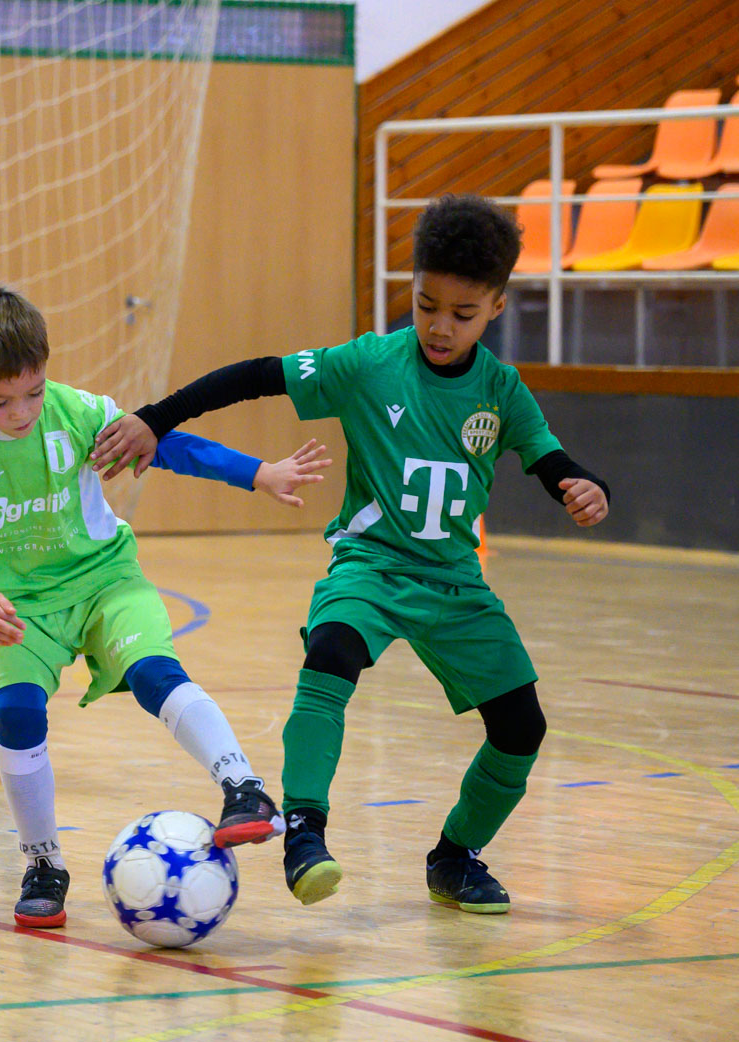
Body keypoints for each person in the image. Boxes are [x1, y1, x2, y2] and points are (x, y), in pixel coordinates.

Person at [92, 194, 611, 915]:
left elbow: (548, 458)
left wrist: (582, 486)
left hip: (454, 581)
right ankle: (304, 830)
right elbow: (256, 375)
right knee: (331, 650)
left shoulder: (501, 390)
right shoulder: (370, 362)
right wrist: (156, 418)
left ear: (496, 305)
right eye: (426, 305)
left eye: (462, 314)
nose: (439, 325)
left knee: (522, 729)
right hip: (369, 564)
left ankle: (455, 856)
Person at [0, 283, 328, 927]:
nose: (22, 412)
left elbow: (165, 446)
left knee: (154, 673)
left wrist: (259, 473)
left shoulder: (78, 413)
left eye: (34, 392)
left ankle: (244, 788)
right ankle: (43, 862)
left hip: (106, 581)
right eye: (0, 401)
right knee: (19, 714)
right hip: (21, 606)